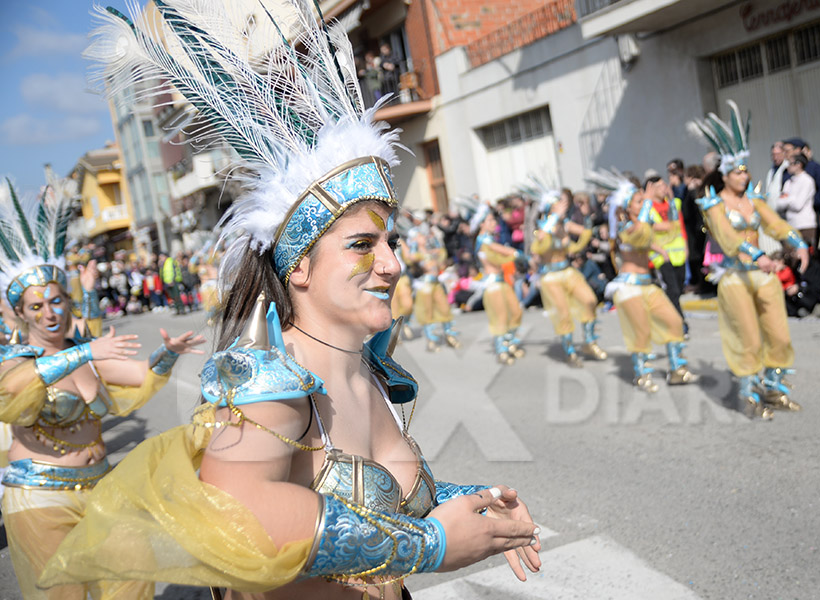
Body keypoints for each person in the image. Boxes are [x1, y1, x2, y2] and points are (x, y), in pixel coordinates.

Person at [40, 3, 540, 598]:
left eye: (391, 242)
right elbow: (239, 514)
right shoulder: (272, 381)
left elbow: (387, 493)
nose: (393, 263)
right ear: (299, 265)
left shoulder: (368, 368)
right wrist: (428, 545)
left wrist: (481, 509)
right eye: (362, 244)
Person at [0, 178, 204, 600]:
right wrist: (85, 351)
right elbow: (19, 391)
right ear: (21, 315)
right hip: (39, 497)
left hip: (100, 484)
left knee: (130, 577)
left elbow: (141, 377)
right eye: (36, 307)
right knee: (63, 593)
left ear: (68, 302)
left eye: (56, 301)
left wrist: (168, 353)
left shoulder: (85, 351)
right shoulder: (16, 362)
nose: (49, 313)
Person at [688, 101, 810, 419]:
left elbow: (775, 223)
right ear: (725, 175)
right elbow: (728, 239)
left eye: (745, 171)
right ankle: (748, 393)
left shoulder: (754, 198)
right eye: (738, 172)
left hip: (762, 274)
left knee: (778, 332)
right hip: (735, 277)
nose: (744, 177)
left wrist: (799, 243)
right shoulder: (713, 205)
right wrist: (759, 256)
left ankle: (773, 387)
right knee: (748, 336)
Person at [588, 169, 698, 392]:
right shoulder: (624, 227)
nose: (643, 204)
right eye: (638, 201)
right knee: (640, 333)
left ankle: (676, 370)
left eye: (642, 201)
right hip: (629, 287)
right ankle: (641, 375)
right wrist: (649, 201)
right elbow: (638, 235)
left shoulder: (645, 223)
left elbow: (670, 230)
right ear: (627, 208)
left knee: (674, 322)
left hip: (648, 285)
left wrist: (672, 205)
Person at [529, 186, 607, 367]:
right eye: (558, 207)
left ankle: (589, 342)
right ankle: (569, 350)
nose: (564, 209)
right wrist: (554, 217)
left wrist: (587, 217)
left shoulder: (565, 225)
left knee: (589, 300)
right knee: (563, 313)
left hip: (567, 271)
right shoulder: (543, 229)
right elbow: (537, 244)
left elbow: (585, 232)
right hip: (551, 277)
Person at [474, 210, 525, 364]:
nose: (494, 223)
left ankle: (508, 342)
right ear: (481, 224)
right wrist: (515, 253)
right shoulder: (483, 241)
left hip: (501, 282)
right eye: (490, 220)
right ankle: (501, 349)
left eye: (494, 220)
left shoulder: (489, 239)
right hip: (493, 284)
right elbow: (498, 252)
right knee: (500, 316)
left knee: (515, 312)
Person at [644, 175, 689, 334]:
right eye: (661, 186)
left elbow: (680, 227)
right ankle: (679, 324)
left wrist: (685, 246)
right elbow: (655, 229)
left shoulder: (674, 204)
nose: (665, 188)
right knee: (673, 291)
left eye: (665, 185)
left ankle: (668, 319)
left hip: (678, 254)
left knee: (678, 290)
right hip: (661, 256)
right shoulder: (647, 209)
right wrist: (661, 251)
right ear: (652, 190)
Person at [775, 154, 817, 246]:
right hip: (791, 225)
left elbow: (798, 205)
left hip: (805, 225)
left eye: (790, 164)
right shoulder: (788, 183)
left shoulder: (807, 181)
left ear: (799, 165)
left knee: (807, 255)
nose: (788, 167)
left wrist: (788, 199)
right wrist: (792, 199)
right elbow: (778, 204)